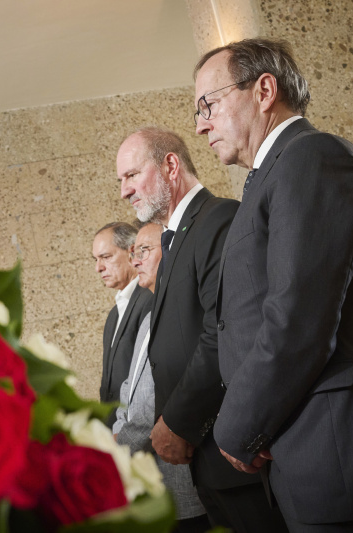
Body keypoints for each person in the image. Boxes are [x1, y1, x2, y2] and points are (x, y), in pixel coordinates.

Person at [194, 37, 353, 532]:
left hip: (349, 459)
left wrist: (235, 429)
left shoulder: (311, 156)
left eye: (208, 104)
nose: (200, 124)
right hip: (314, 457)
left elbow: (297, 322)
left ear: (264, 90)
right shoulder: (273, 175)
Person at [117, 127, 286, 532]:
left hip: (233, 453)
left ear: (170, 166)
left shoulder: (219, 219)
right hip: (205, 461)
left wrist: (177, 422)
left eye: (131, 176)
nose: (124, 191)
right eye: (120, 180)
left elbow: (224, 330)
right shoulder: (174, 239)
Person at [113, 221, 210, 533]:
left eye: (144, 250)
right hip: (154, 483)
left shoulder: (188, 312)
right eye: (133, 253)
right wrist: (117, 431)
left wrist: (117, 450)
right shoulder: (149, 317)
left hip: (183, 482)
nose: (136, 261)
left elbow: (147, 406)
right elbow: (130, 390)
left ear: (171, 252)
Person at [92, 222, 152, 427]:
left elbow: (149, 379)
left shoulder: (149, 299)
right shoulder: (113, 316)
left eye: (106, 257)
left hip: (140, 432)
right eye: (96, 260)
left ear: (131, 253)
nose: (98, 268)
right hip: (116, 432)